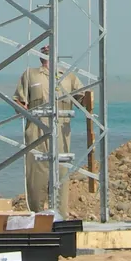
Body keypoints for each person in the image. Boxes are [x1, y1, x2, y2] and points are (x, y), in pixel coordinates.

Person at [13, 45, 84, 216]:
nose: (48, 55)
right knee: (37, 173)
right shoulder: (31, 74)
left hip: (61, 130)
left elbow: (83, 98)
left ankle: (61, 216)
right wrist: (27, 113)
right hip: (37, 130)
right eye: (45, 53)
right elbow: (18, 101)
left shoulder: (68, 76)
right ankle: (37, 213)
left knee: (61, 173)